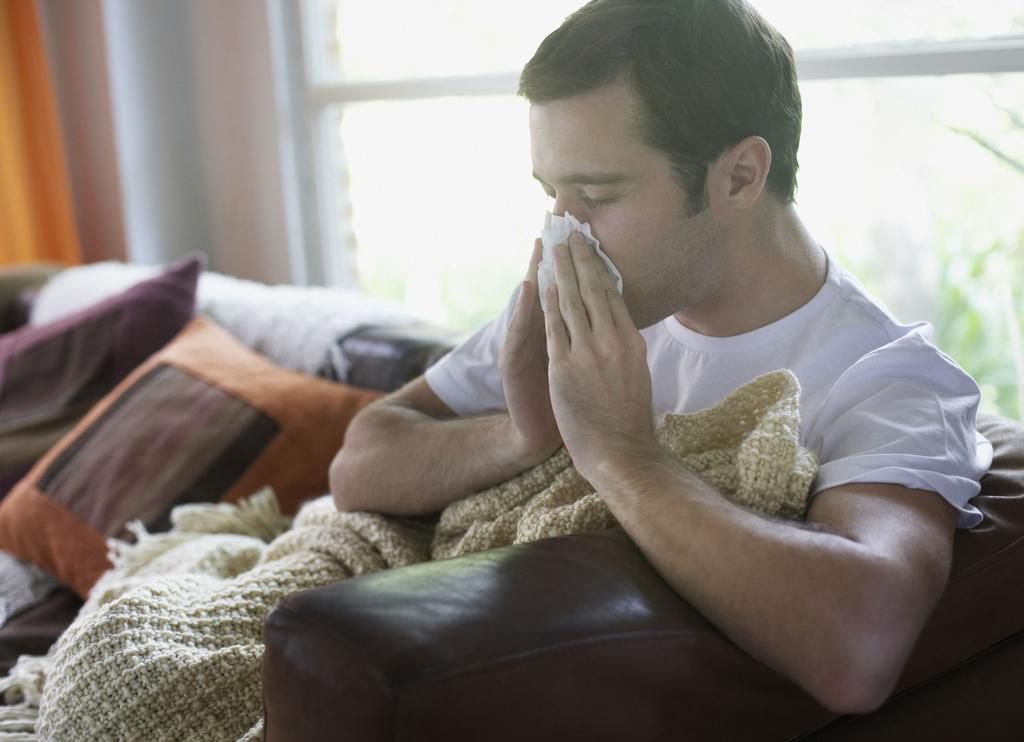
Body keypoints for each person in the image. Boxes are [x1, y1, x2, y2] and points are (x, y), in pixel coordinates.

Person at [329, 0, 992, 715]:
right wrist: (522, 434)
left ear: (739, 176)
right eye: (552, 194)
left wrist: (618, 454)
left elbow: (860, 649)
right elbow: (357, 467)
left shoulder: (887, 380)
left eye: (598, 193)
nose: (562, 233)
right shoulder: (590, 293)